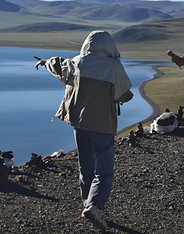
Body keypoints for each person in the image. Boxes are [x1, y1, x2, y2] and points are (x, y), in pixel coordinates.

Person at [34, 31, 133, 231]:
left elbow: (58, 65)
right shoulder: (114, 67)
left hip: (80, 124)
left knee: (85, 166)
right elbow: (125, 96)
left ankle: (87, 204)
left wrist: (45, 62)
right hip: (103, 125)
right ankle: (94, 206)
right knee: (104, 171)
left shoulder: (77, 62)